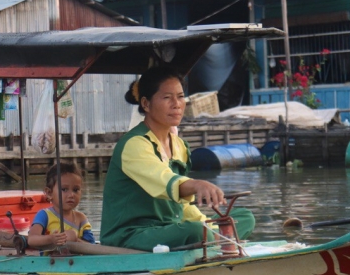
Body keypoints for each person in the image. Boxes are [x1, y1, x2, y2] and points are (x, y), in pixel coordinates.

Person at [100, 68, 255, 251]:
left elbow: (183, 206)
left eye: (180, 97)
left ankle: (214, 238)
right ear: (146, 104)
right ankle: (217, 240)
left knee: (244, 217)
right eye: (167, 98)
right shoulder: (134, 144)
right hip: (131, 234)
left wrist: (207, 224)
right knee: (196, 232)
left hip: (169, 228)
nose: (177, 104)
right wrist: (198, 185)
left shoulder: (179, 145)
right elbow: (164, 180)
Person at [28, 162, 95, 249]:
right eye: (64, 189)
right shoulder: (44, 215)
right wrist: (52, 239)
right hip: (49, 257)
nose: (71, 195)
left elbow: (93, 247)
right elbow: (31, 239)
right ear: (49, 193)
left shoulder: (81, 219)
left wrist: (76, 240)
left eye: (76, 190)